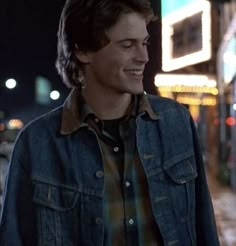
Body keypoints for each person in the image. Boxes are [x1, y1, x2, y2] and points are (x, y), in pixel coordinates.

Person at [0, 0, 220, 245]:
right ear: (83, 50)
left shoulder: (175, 121)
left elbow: (204, 230)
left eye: (144, 43)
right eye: (128, 45)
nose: (144, 57)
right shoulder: (37, 143)